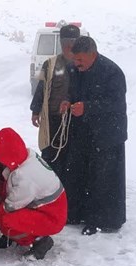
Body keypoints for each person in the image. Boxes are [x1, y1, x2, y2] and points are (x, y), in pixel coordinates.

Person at [60, 36, 127, 235]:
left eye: (80, 59)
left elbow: (116, 104)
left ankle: (101, 220)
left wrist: (87, 107)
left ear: (93, 54)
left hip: (107, 134)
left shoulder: (112, 72)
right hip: (83, 131)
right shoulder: (75, 70)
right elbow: (72, 93)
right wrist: (67, 101)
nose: (76, 63)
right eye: (74, 59)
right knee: (78, 173)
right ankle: (76, 213)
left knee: (102, 178)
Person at [0, 128, 67, 259]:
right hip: (38, 206)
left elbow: (7, 209)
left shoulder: (25, 178)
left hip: (51, 216)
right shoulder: (23, 156)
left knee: (6, 220)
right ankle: (9, 236)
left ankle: (41, 240)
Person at [29, 24, 80, 172]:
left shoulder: (82, 65)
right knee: (50, 156)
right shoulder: (50, 64)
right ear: (61, 44)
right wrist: (35, 111)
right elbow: (41, 89)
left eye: (72, 44)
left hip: (74, 120)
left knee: (71, 157)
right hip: (52, 119)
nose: (69, 48)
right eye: (65, 44)